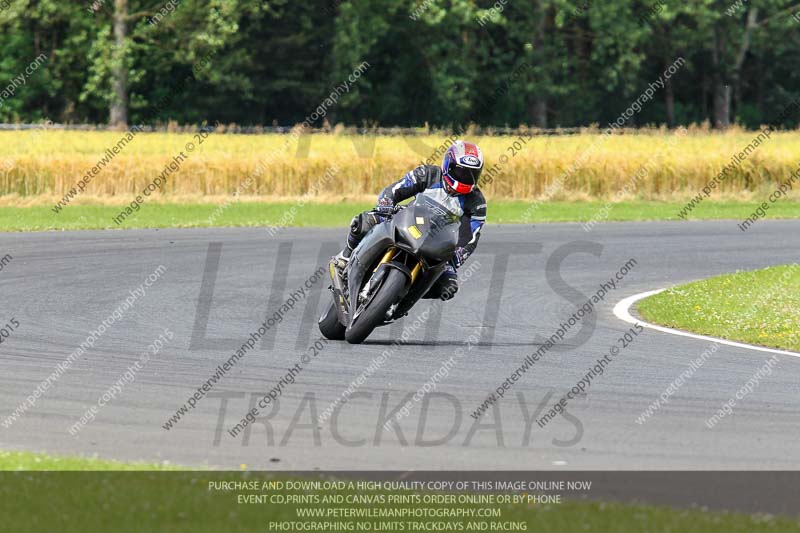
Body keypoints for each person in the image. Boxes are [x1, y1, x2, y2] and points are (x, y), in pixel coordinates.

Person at [334, 139, 486, 300]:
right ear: (448, 164)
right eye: (461, 171)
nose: (466, 177)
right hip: (406, 221)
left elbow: (471, 236)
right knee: (364, 222)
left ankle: (400, 298)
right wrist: (385, 206)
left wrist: (458, 255)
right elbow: (395, 190)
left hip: (438, 243)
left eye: (472, 174)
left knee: (448, 287)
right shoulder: (428, 174)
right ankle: (345, 257)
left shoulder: (477, 203)